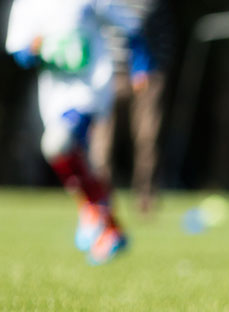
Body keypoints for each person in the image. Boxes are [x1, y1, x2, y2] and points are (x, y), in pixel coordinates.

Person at [5, 0, 149, 264]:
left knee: (57, 144)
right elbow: (18, 51)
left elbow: (130, 26)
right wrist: (34, 49)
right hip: (54, 95)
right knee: (70, 156)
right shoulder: (26, 4)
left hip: (90, 89)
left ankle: (94, 210)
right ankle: (107, 222)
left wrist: (140, 67)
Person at [90, 0, 173, 216]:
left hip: (150, 73)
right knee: (102, 139)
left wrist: (145, 68)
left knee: (148, 137)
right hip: (110, 72)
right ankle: (99, 200)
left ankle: (146, 198)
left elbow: (155, 33)